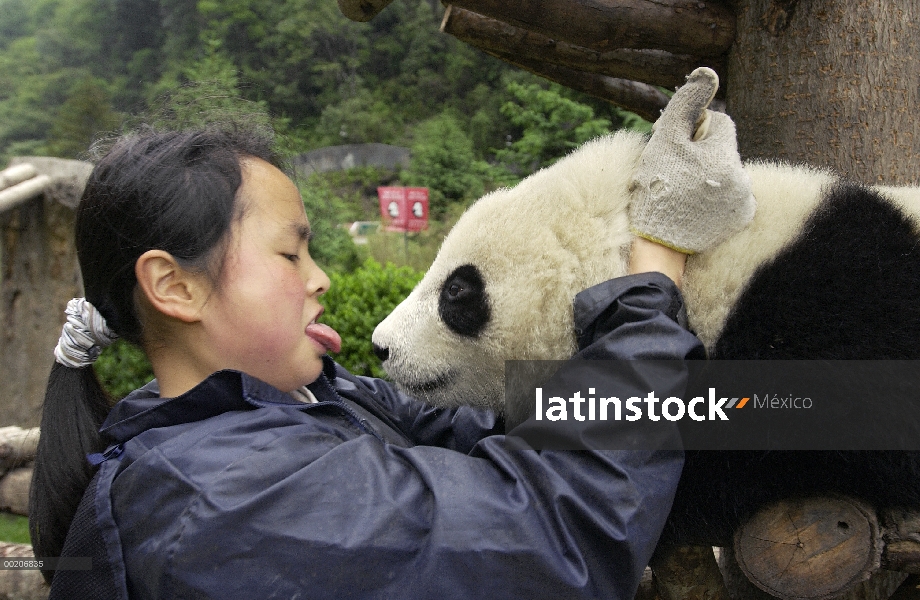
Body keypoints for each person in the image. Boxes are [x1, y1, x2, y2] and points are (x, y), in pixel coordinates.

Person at [31, 68, 753, 599]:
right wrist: (654, 264)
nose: (322, 280)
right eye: (291, 253)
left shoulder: (317, 405)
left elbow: (489, 428)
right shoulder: (223, 500)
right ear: (174, 287)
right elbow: (553, 532)